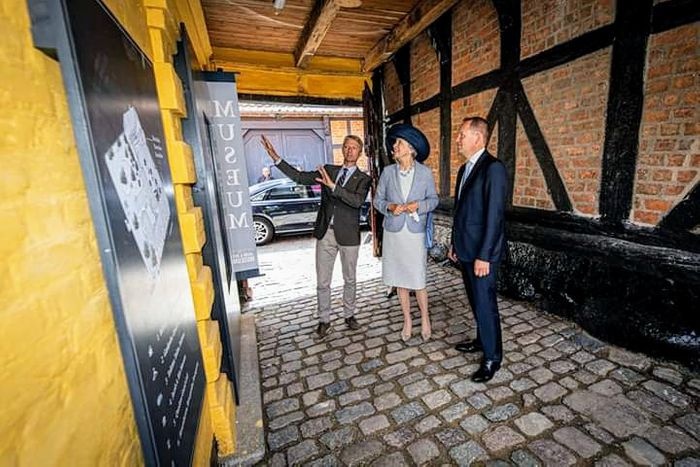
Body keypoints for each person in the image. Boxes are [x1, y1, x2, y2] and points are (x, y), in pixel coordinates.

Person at [260, 134, 372, 338]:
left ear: (360, 152)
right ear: (342, 149)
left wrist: (333, 187)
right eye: (346, 146)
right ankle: (324, 320)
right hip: (326, 232)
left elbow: (356, 201)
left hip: (348, 235)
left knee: (350, 279)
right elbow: (299, 177)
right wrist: (276, 158)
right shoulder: (328, 170)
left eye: (354, 148)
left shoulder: (364, 179)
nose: (349, 150)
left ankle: (349, 315)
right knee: (322, 281)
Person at [448, 116, 508, 383]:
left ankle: (493, 357)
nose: (458, 139)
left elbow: (495, 216)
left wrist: (485, 255)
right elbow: (461, 212)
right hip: (465, 248)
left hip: (483, 254)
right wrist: (454, 243)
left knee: (485, 304)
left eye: (462, 134)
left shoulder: (493, 168)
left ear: (478, 138)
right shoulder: (464, 169)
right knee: (475, 300)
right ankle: (482, 341)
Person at [374, 124, 438, 342]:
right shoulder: (387, 172)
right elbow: (378, 201)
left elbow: (433, 200)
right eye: (395, 143)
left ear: (411, 149)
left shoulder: (425, 173)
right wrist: (390, 207)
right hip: (394, 233)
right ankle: (407, 321)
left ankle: (426, 319)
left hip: (415, 234)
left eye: (399, 143)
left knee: (418, 279)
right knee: (400, 279)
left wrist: (418, 205)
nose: (395, 146)